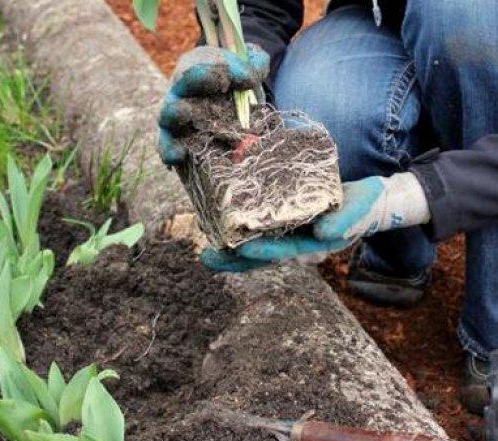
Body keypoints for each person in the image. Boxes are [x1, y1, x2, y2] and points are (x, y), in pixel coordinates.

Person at [157, 0, 497, 413]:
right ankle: (397, 254)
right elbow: (261, 7)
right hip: (378, 20)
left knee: (463, 16)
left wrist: (407, 197)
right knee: (326, 117)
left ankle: (491, 333)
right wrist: (231, 64)